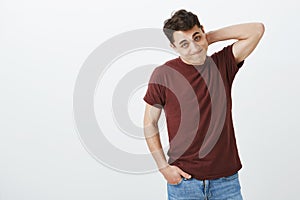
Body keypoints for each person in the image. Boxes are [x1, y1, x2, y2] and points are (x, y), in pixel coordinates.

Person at [143, 9, 264, 200]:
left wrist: (209, 38)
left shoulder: (222, 63)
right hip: (184, 183)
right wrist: (163, 167)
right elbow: (149, 122)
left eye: (197, 37)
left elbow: (256, 30)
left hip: (226, 183)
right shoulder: (163, 74)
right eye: (184, 44)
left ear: (203, 32)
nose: (194, 48)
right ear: (174, 47)